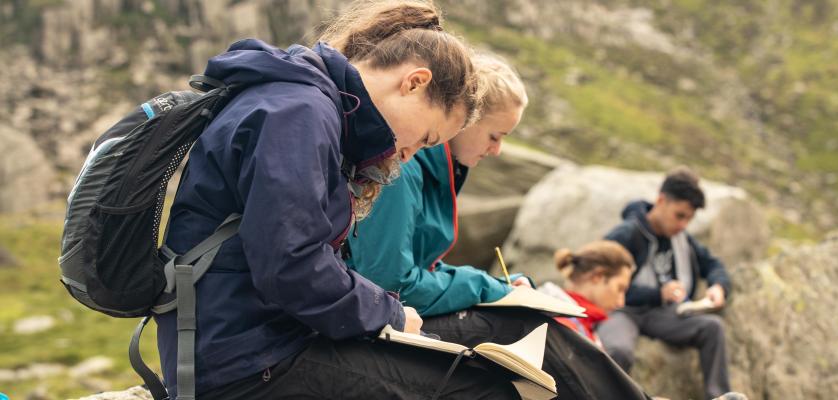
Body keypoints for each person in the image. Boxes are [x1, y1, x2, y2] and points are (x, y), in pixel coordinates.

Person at [155, 1, 522, 399]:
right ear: (414, 82)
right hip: (242, 362)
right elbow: (290, 265)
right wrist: (389, 313)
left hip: (259, 341)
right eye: (426, 138)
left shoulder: (310, 106)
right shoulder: (298, 114)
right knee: (483, 387)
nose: (411, 152)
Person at [346, 52, 653, 400]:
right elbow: (389, 280)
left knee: (528, 335)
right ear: (466, 117)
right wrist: (486, 287)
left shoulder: (439, 170)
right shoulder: (406, 168)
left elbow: (417, 266)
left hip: (400, 312)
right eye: (495, 135)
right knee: (526, 327)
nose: (497, 150)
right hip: (379, 321)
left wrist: (498, 285)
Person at [599, 167, 733, 399]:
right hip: (621, 310)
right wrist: (658, 294)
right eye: (679, 215)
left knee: (713, 328)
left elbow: (713, 265)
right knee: (618, 350)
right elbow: (601, 282)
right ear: (661, 200)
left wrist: (718, 287)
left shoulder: (682, 239)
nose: (683, 225)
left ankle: (719, 396)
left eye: (689, 219)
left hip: (663, 314)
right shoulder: (626, 234)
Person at [537, 240, 635, 349]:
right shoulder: (562, 324)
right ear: (598, 276)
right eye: (620, 288)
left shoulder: (583, 326)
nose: (621, 302)